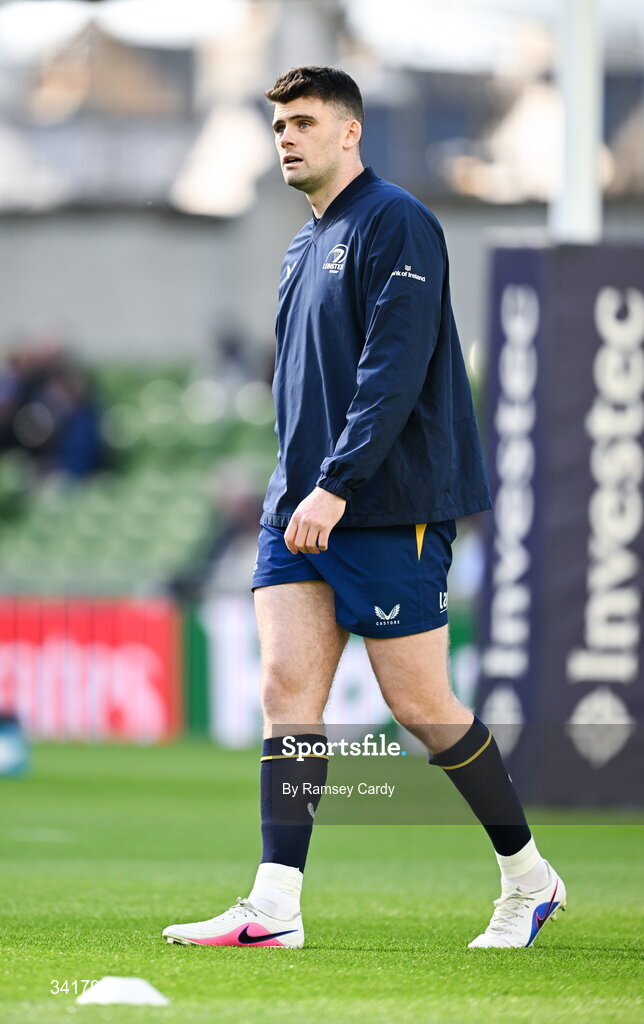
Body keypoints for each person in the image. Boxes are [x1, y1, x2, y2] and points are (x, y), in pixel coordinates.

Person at [163, 66, 566, 951]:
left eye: (303, 122)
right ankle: (274, 908)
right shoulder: (303, 245)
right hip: (299, 511)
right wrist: (294, 489)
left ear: (350, 132)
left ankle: (529, 880)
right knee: (286, 696)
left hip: (384, 506)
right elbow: (301, 389)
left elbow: (396, 366)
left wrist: (337, 483)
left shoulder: (398, 220)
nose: (286, 138)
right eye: (277, 126)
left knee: (422, 710)